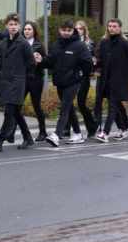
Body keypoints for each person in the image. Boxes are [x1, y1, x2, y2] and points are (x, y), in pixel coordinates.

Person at [35, 18, 93, 147]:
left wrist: (79, 75)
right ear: (59, 30)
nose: (66, 32)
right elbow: (51, 61)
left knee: (64, 108)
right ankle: (78, 134)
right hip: (60, 83)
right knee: (70, 109)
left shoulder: (79, 45)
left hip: (73, 82)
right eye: (64, 30)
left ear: (73, 31)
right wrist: (41, 60)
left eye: (69, 30)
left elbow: (88, 63)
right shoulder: (56, 45)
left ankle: (56, 135)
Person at [0, 13, 36, 151]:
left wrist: (22, 76)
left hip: (17, 83)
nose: (13, 27)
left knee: (9, 112)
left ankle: (0, 140)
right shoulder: (5, 41)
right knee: (16, 112)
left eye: (15, 25)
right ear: (6, 26)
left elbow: (32, 63)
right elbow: (1, 60)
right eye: (10, 25)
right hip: (7, 81)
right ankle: (28, 137)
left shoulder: (23, 43)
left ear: (19, 26)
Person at [95, 18, 128, 143]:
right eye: (109, 26)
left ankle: (105, 132)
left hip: (119, 80)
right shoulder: (105, 43)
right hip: (106, 79)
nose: (111, 28)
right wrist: (95, 62)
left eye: (114, 26)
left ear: (120, 28)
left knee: (113, 106)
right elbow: (102, 60)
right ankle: (123, 128)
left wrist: (122, 67)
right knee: (116, 104)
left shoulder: (124, 43)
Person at [9, 21, 47, 142]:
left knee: (36, 106)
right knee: (17, 106)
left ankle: (43, 132)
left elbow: (44, 61)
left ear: (34, 31)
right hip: (22, 79)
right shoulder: (19, 42)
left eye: (29, 29)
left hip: (35, 79)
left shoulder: (38, 45)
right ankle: (11, 132)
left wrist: (39, 60)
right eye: (25, 29)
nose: (26, 31)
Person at [61, 20, 98, 138]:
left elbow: (91, 63)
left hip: (83, 78)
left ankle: (92, 126)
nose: (78, 31)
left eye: (80, 29)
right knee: (68, 103)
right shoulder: (68, 43)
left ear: (84, 31)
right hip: (71, 77)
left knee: (81, 103)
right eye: (76, 28)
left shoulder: (88, 44)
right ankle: (66, 129)